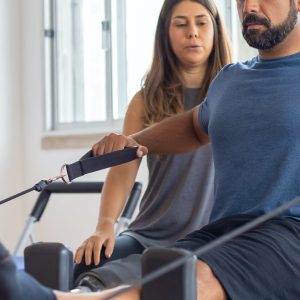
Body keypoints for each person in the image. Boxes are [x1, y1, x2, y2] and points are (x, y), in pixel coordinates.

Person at [2, 0, 300, 299]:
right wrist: (132, 143)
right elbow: (195, 127)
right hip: (222, 231)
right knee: (161, 272)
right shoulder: (231, 80)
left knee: (190, 280)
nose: (250, 6)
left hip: (287, 233)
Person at [72, 0, 232, 291]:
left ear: (215, 29)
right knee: (88, 263)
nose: (192, 33)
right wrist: (105, 225)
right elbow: (122, 171)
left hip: (212, 236)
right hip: (151, 233)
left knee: (174, 276)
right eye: (181, 24)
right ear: (165, 33)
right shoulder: (145, 100)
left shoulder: (236, 92)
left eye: (201, 22)